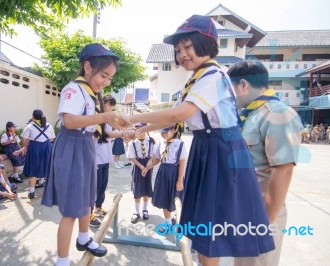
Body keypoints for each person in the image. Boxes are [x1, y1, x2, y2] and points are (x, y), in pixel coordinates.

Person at [123, 15, 274, 265]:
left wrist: (131, 119)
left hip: (220, 150)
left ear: (206, 44)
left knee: (212, 227)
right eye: (178, 49)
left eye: (188, 47)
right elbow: (170, 120)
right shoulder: (195, 80)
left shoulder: (212, 76)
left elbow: (178, 114)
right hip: (207, 148)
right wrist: (140, 130)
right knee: (205, 227)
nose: (182, 54)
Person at [41, 43, 123, 266]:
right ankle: (62, 260)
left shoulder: (92, 94)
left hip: (87, 146)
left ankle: (84, 238)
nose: (106, 82)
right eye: (104, 75)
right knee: (70, 209)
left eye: (110, 78)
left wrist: (126, 130)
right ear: (87, 67)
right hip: (72, 146)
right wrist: (104, 118)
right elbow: (69, 121)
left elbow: (99, 127)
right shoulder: (73, 89)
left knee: (88, 198)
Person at [227, 59, 302, 266]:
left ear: (243, 85)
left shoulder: (278, 114)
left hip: (261, 214)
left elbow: (283, 171)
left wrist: (265, 222)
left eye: (230, 88)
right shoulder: (252, 115)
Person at [90, 94, 127, 227]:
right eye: (108, 104)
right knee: (94, 187)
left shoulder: (108, 120)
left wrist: (122, 132)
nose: (110, 107)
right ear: (101, 103)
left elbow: (109, 135)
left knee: (102, 186)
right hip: (95, 159)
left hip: (105, 157)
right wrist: (122, 134)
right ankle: (89, 214)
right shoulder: (95, 117)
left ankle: (98, 208)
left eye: (112, 105)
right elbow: (105, 134)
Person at [144, 126, 186, 232]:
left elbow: (182, 162)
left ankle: (175, 218)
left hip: (175, 172)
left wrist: (180, 180)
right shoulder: (161, 143)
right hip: (163, 172)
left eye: (165, 132)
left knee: (176, 198)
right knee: (163, 197)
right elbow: (157, 158)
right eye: (161, 133)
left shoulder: (180, 144)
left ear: (173, 130)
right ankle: (167, 222)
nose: (163, 135)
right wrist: (147, 167)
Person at [21, 109, 55, 199]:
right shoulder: (49, 125)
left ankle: (31, 191)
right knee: (47, 166)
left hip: (34, 147)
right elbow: (52, 138)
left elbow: (24, 139)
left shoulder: (30, 126)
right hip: (47, 147)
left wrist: (25, 146)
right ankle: (44, 186)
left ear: (33, 116)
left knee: (34, 167)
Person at [126, 122, 156, 224]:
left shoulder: (151, 141)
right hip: (138, 166)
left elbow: (155, 154)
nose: (139, 131)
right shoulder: (133, 143)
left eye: (141, 129)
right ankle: (136, 211)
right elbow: (131, 157)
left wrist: (148, 165)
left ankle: (145, 209)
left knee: (146, 188)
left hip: (148, 166)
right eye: (137, 129)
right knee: (137, 188)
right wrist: (141, 167)